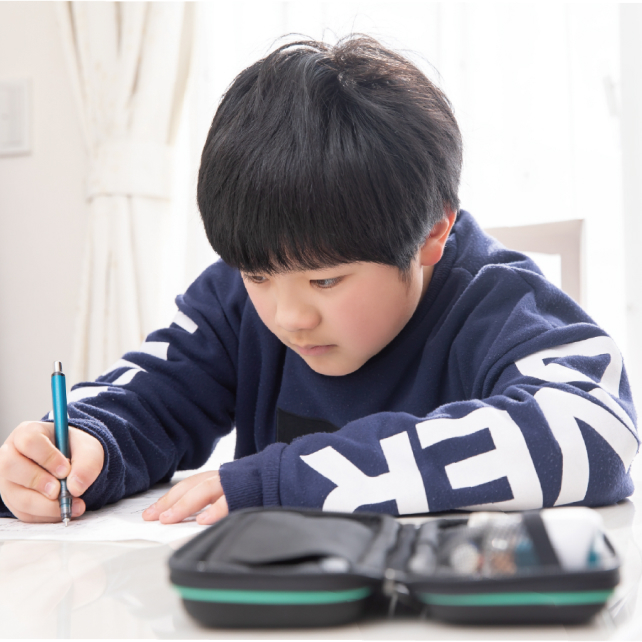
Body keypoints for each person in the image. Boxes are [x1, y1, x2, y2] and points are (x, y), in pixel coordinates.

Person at [0, 36, 638, 525]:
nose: (289, 316)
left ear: (432, 234)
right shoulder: (235, 300)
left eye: (326, 281)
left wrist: (290, 482)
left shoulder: (496, 303)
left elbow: (597, 430)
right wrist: (83, 444)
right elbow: (151, 396)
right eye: (259, 274)